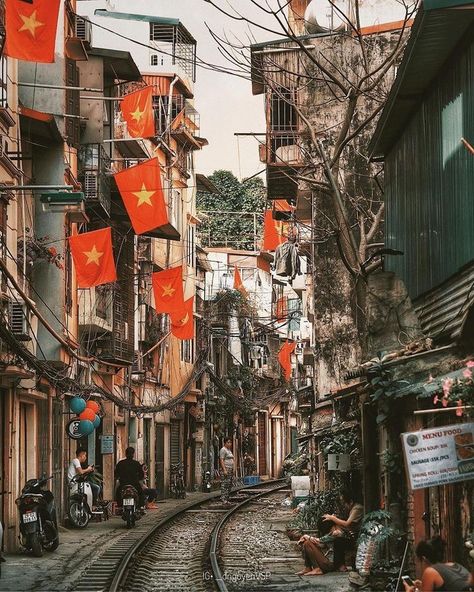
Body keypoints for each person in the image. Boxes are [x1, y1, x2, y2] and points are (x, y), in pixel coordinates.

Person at [403, 537, 472, 592]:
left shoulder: (430, 571)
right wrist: (423, 585)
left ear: (424, 558)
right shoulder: (454, 565)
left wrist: (408, 591)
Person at [321, 491, 364, 571]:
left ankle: (340, 565)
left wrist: (333, 518)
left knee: (339, 541)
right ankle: (340, 565)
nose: (343, 505)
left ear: (350, 502)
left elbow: (347, 523)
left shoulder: (357, 508)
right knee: (338, 540)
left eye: (344, 503)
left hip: (358, 537)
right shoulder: (352, 508)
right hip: (353, 535)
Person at [219, 438, 234, 504]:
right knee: (224, 484)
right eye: (228, 442)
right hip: (226, 469)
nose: (229, 444)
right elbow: (221, 460)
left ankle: (226, 499)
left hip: (230, 469)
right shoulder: (223, 450)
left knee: (229, 484)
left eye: (230, 442)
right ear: (225, 443)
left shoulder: (229, 450)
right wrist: (224, 470)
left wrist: (233, 468)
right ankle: (223, 498)